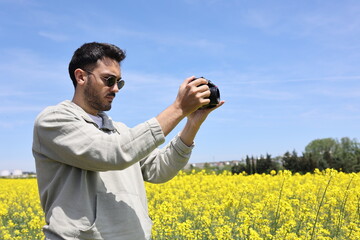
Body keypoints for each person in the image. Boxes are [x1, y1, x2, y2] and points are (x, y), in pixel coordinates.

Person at [32, 42, 224, 240]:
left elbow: (159, 170)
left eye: (119, 82)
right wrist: (178, 109)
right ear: (81, 76)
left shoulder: (120, 131)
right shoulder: (54, 120)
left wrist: (192, 123)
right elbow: (111, 154)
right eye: (109, 80)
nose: (116, 89)